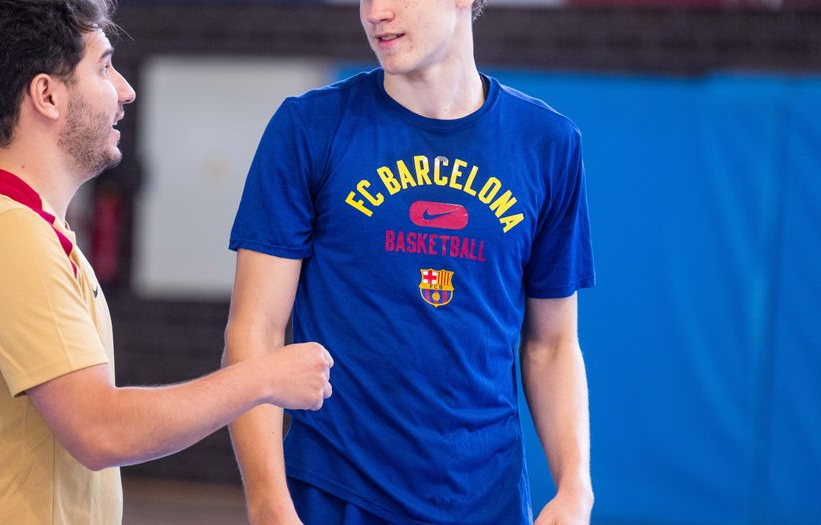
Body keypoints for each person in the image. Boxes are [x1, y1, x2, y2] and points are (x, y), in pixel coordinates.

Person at [0, 1, 334, 523]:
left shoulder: (28, 227)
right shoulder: (9, 237)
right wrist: (263, 379)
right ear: (47, 95)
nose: (125, 90)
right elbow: (102, 429)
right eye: (104, 67)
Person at [224, 0, 595, 523]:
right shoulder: (310, 128)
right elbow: (255, 331)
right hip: (338, 495)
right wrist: (269, 506)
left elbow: (552, 344)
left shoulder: (548, 145)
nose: (375, 12)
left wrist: (575, 486)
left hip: (490, 502)